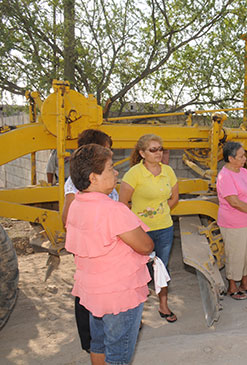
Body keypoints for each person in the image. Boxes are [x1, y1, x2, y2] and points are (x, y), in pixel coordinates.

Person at [65, 144, 153, 365]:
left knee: (99, 343)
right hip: (119, 295)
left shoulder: (76, 205)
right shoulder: (113, 210)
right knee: (118, 354)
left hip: (94, 292)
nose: (115, 172)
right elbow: (145, 246)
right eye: (110, 168)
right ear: (93, 177)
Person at [60, 129, 116, 354]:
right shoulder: (77, 182)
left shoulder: (103, 176)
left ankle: (112, 327)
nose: (111, 150)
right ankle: (90, 340)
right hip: (92, 245)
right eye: (107, 146)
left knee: (107, 290)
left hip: (107, 244)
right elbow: (68, 217)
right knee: (88, 292)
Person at [120, 134, 179, 323]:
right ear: (142, 153)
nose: (158, 153)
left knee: (162, 267)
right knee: (138, 269)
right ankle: (134, 310)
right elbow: (122, 203)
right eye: (153, 149)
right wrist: (139, 220)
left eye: (160, 149)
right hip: (140, 231)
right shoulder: (134, 174)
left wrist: (159, 212)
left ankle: (163, 305)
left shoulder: (168, 171)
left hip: (164, 228)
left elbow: (174, 198)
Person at [216, 141, 247, 299]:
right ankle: (232, 287)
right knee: (235, 254)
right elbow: (233, 201)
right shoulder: (224, 176)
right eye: (241, 156)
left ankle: (245, 283)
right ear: (230, 158)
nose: (244, 159)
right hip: (233, 222)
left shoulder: (243, 171)